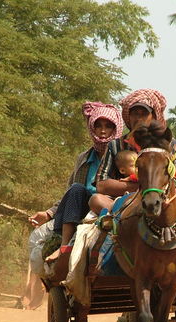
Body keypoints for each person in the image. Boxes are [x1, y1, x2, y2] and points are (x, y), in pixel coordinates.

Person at [28, 102, 123, 260]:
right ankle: (64, 246)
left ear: (116, 129)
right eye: (98, 126)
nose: (103, 131)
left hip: (112, 208)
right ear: (92, 128)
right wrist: (49, 213)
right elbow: (70, 193)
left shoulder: (123, 156)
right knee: (77, 189)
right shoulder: (84, 158)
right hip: (82, 210)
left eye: (108, 126)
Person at [90, 89, 176, 214]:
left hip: (164, 199)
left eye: (144, 113)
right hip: (124, 201)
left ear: (154, 116)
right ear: (128, 117)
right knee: (96, 200)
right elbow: (101, 185)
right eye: (135, 114)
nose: (139, 118)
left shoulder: (170, 143)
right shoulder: (115, 145)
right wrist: (142, 188)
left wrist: (156, 190)